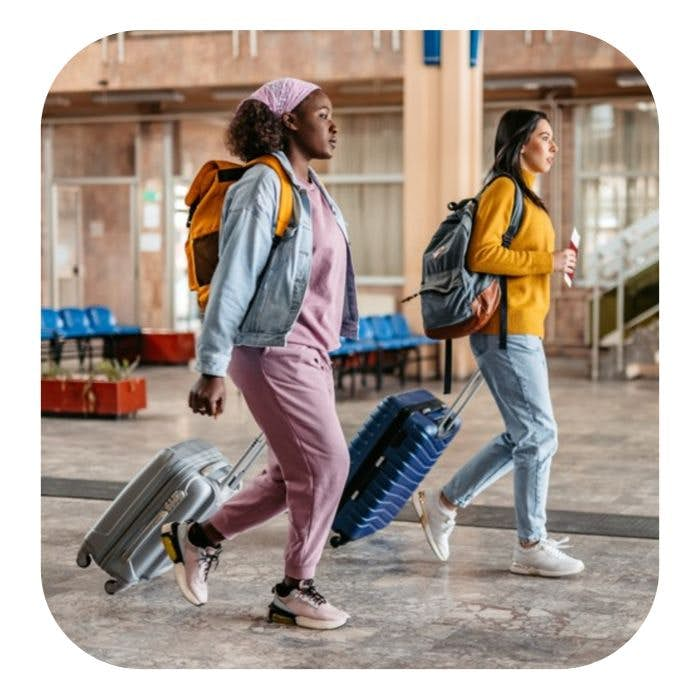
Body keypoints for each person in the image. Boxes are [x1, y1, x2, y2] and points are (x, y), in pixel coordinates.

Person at [160, 77, 359, 629]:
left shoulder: (312, 188)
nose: (333, 124)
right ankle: (296, 589)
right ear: (290, 121)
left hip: (311, 350)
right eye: (322, 113)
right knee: (327, 464)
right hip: (271, 349)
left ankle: (196, 538)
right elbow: (234, 278)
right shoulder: (262, 184)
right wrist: (211, 367)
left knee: (286, 475)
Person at [412, 108, 585, 578]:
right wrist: (545, 260)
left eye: (552, 139)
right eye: (544, 138)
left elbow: (517, 258)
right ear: (519, 143)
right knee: (539, 435)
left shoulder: (526, 193)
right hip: (504, 332)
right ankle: (529, 544)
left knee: (524, 435)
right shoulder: (504, 188)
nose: (552, 146)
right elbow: (482, 253)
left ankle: (445, 504)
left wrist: (554, 263)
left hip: (523, 328)